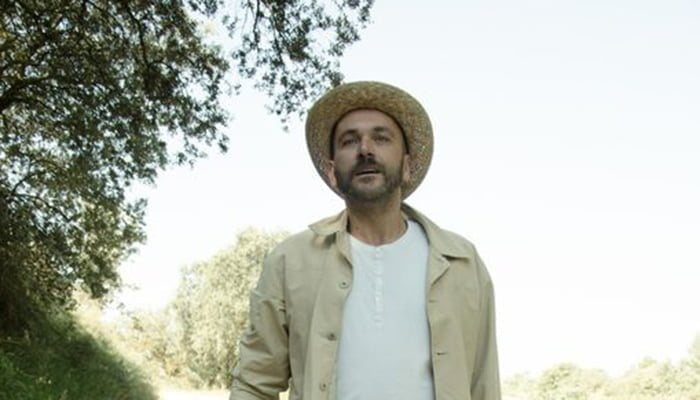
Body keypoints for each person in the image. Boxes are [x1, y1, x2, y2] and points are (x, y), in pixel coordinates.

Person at [230, 81, 501, 400]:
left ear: (407, 165)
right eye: (349, 141)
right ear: (332, 172)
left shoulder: (461, 262)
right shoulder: (290, 261)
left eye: (381, 138)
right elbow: (254, 383)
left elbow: (484, 385)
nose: (365, 150)